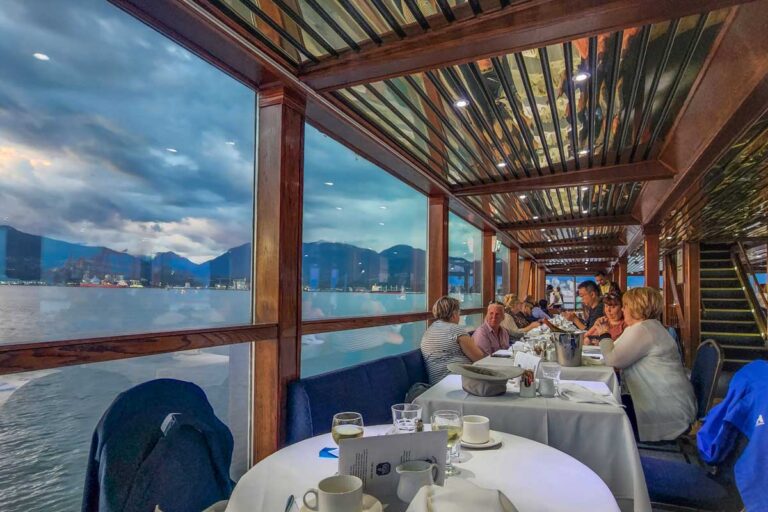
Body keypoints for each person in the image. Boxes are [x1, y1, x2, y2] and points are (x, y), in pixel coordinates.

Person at [599, 287, 696, 442]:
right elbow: (613, 351)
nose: (623, 309)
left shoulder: (643, 330)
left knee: (601, 411)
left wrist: (604, 334)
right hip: (668, 402)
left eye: (625, 306)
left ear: (636, 307)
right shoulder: (646, 327)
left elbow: (612, 360)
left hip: (663, 411)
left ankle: (615, 458)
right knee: (605, 400)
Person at [421, 296, 485, 384]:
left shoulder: (429, 330)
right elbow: (478, 357)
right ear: (454, 314)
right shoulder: (455, 330)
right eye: (459, 312)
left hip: (437, 382)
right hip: (457, 380)